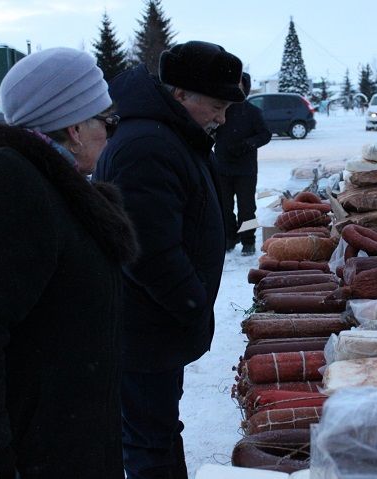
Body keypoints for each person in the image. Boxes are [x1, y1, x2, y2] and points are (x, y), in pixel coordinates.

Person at [0, 47, 138, 479]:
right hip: (29, 453)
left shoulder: (54, 184)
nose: (112, 133)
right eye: (108, 121)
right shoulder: (6, 185)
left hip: (66, 439)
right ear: (75, 128)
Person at [92, 41, 244, 479]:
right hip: (142, 329)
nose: (222, 117)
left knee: (155, 431)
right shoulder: (146, 145)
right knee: (148, 441)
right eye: (216, 105)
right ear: (181, 95)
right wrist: (192, 306)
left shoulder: (171, 133)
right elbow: (148, 251)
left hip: (154, 326)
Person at [214, 72, 271, 255]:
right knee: (224, 207)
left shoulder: (253, 112)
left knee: (247, 209)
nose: (235, 87)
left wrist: (247, 144)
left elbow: (265, 135)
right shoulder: (220, 109)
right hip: (222, 166)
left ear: (245, 87)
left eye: (238, 84)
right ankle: (230, 238)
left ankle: (248, 240)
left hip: (246, 169)